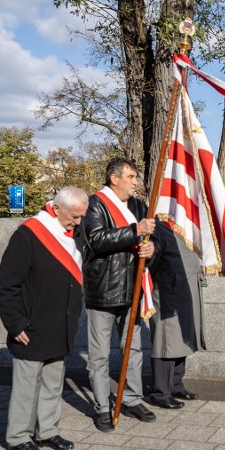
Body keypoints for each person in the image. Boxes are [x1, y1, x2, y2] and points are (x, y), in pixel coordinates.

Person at [0, 186, 89, 450]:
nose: (79, 222)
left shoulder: (74, 232)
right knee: (27, 386)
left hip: (60, 324)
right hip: (31, 326)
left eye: (82, 216)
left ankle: (47, 431)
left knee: (52, 382)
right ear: (56, 208)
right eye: (74, 216)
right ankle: (18, 438)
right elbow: (7, 284)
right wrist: (15, 324)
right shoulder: (29, 234)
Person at [82, 157, 157, 431]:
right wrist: (135, 230)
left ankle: (133, 399)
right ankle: (102, 407)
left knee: (133, 348)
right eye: (131, 177)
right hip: (102, 289)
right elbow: (97, 240)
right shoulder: (95, 204)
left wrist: (151, 250)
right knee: (99, 355)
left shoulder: (138, 206)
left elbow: (153, 240)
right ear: (114, 178)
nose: (136, 182)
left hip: (133, 287)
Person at [147, 221, 206, 409]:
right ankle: (160, 392)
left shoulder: (185, 222)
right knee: (166, 341)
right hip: (167, 289)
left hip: (187, 289)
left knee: (183, 336)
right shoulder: (159, 224)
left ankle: (175, 384)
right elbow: (152, 258)